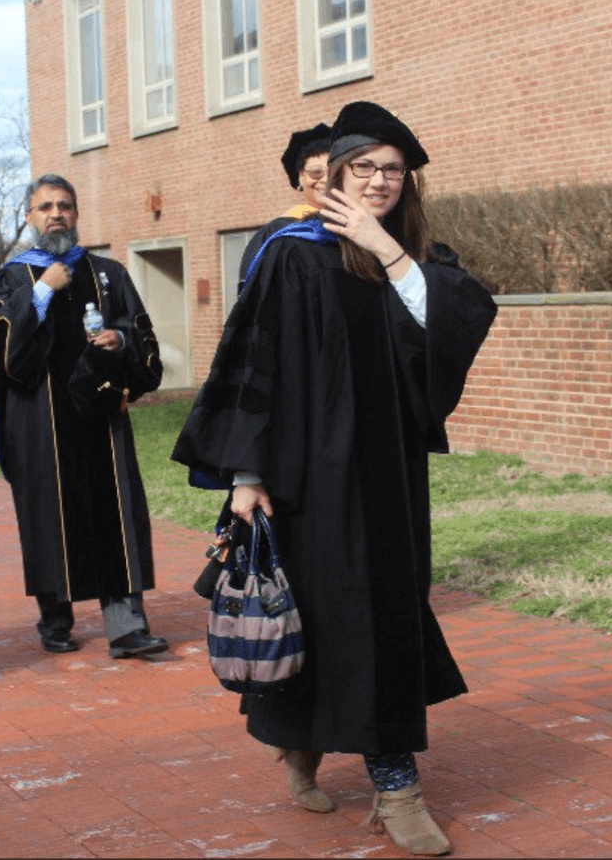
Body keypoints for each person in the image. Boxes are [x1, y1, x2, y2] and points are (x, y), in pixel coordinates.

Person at [172, 103, 497, 856]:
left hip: (387, 477)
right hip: (306, 474)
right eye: (365, 168)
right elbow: (257, 360)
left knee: (383, 615)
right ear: (337, 174)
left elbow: (459, 320)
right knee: (315, 612)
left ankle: (394, 784)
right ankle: (304, 746)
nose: (380, 180)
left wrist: (385, 247)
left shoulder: (409, 255)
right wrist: (246, 474)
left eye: (392, 170)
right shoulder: (294, 254)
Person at [0, 174, 168, 659]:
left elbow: (142, 336)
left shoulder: (108, 273)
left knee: (115, 515)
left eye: (64, 206)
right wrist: (40, 293)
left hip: (101, 419)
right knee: (48, 515)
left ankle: (126, 627)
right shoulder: (11, 278)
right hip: (39, 422)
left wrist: (120, 341)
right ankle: (55, 618)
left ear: (76, 214)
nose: (56, 214)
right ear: (29, 217)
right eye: (45, 207)